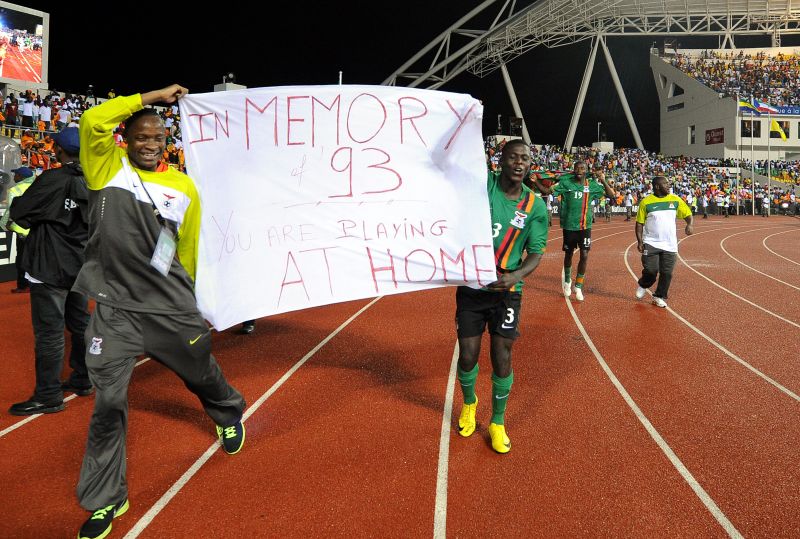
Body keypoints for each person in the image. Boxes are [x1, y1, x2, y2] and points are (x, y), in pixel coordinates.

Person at [72, 85, 246, 539]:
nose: (151, 144)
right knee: (107, 404)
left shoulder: (182, 185)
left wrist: (189, 300)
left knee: (200, 373)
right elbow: (92, 122)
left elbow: (181, 247)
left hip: (168, 309)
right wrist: (151, 97)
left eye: (159, 138)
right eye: (143, 137)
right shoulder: (105, 169)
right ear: (125, 140)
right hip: (114, 312)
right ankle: (106, 498)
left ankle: (227, 411)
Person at [455, 139, 548, 454]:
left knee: (502, 355)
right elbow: (465, 158)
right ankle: (470, 403)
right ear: (500, 161)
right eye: (513, 157)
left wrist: (516, 275)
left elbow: (535, 253)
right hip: (471, 287)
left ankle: (497, 421)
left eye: (525, 158)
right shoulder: (486, 185)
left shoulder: (535, 206)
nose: (520, 163)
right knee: (467, 354)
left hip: (507, 291)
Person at [8, 128, 92, 415]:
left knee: (49, 333)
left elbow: (19, 213)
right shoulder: (95, 181)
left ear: (59, 151)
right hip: (80, 266)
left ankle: (47, 395)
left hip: (49, 266)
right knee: (80, 325)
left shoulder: (51, 179)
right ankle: (83, 378)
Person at [539, 161, 616, 301]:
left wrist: (603, 180)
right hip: (569, 226)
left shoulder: (591, 185)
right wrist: (536, 182)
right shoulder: (566, 183)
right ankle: (567, 280)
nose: (579, 170)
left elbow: (611, 195)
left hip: (585, 227)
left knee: (585, 254)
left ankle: (578, 286)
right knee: (568, 254)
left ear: (586, 170)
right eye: (577, 168)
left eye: (582, 168)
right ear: (573, 170)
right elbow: (546, 191)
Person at [635, 175, 694, 308]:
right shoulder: (646, 202)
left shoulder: (675, 199)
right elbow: (639, 223)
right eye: (665, 184)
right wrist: (639, 241)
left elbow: (687, 214)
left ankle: (659, 296)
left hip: (670, 244)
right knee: (651, 270)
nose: (668, 186)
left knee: (667, 273)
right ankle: (643, 284)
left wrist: (689, 224)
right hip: (651, 242)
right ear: (657, 186)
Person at [1, 166, 35, 293]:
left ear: (21, 177)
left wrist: (5, 224)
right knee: (34, 257)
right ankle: (34, 284)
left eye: (16, 175)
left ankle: (22, 285)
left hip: (22, 230)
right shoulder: (37, 187)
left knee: (21, 258)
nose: (14, 177)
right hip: (36, 229)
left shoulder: (14, 190)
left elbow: (11, 211)